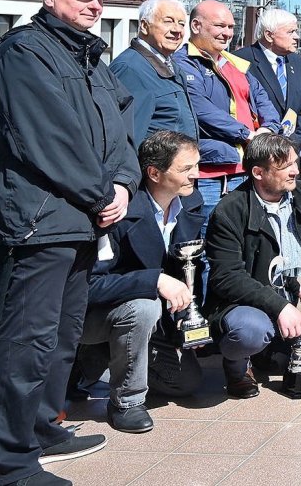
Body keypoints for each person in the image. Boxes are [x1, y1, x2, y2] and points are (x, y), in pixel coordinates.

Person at [0, 0, 141, 483]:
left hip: (83, 217)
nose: (94, 5)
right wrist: (101, 193)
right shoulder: (23, 52)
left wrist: (122, 182)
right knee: (27, 339)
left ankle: (43, 424)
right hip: (41, 218)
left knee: (62, 333)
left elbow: (119, 126)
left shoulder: (91, 58)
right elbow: (47, 139)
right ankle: (9, 460)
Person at [204, 132, 301, 400]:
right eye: (286, 166)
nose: (296, 171)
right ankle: (237, 367)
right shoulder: (228, 210)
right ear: (258, 172)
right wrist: (279, 307)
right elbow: (227, 277)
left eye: (295, 163)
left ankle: (277, 350)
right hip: (254, 305)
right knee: (249, 332)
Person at [75, 130, 205, 435]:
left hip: (160, 323)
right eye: (186, 169)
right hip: (95, 317)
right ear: (154, 173)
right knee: (143, 307)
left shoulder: (192, 203)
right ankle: (126, 402)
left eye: (196, 166)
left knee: (187, 383)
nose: (197, 175)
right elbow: (91, 285)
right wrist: (154, 280)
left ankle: (119, 363)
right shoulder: (117, 211)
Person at [174, 0, 280, 209]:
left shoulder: (234, 63)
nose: (227, 33)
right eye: (220, 26)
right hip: (208, 175)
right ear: (196, 26)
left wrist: (267, 130)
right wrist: (247, 135)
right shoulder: (182, 63)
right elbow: (200, 108)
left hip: (245, 169)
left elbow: (262, 99)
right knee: (207, 235)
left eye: (231, 27)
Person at [110, 0, 197, 143]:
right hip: (151, 165)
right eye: (168, 21)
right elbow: (125, 138)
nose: (177, 30)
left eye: (181, 23)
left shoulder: (173, 67)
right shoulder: (130, 68)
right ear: (144, 26)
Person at [234, 7, 301, 153]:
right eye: (290, 32)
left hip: (290, 152)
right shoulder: (241, 61)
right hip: (255, 151)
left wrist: (293, 144)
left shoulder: (299, 64)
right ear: (268, 35)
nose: (297, 37)